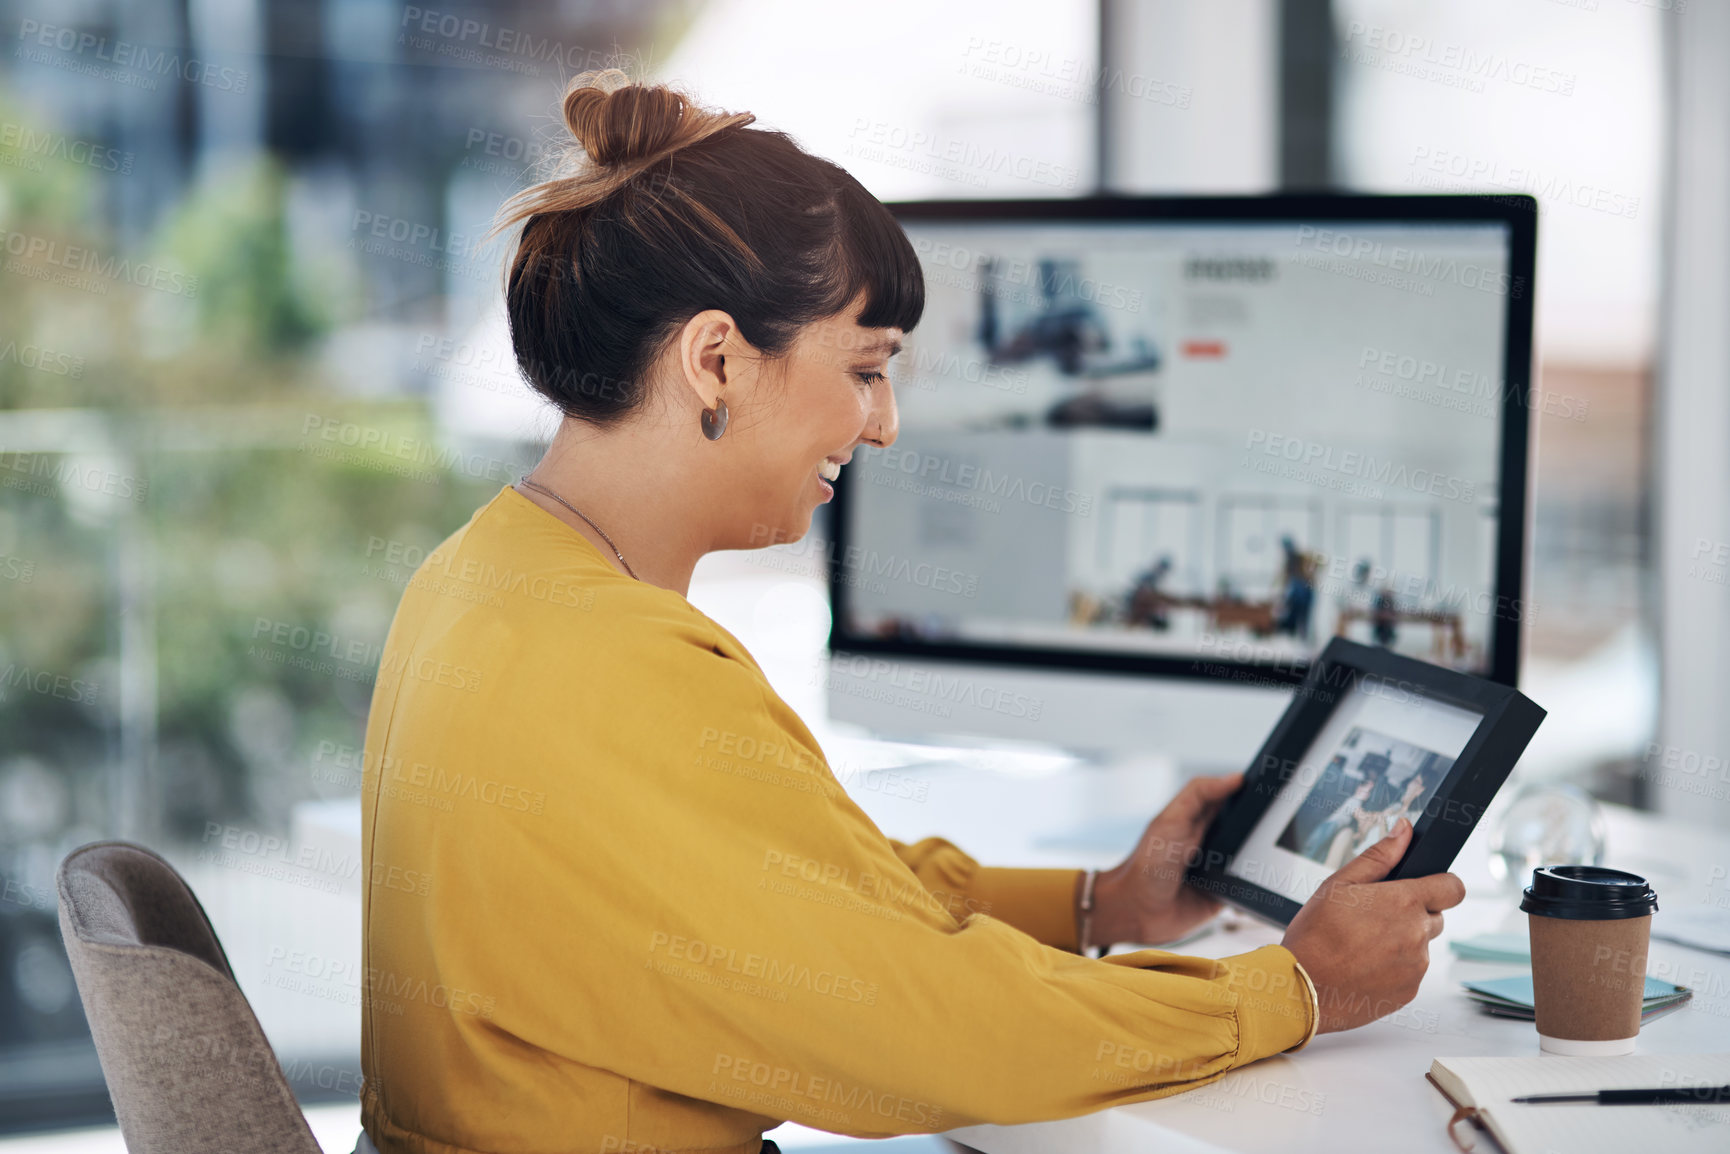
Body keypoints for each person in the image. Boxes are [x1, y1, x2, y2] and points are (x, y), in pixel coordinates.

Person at [356, 71, 1465, 1154]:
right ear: (715, 359)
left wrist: (1100, 901)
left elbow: (790, 885)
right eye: (865, 367)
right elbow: (931, 1032)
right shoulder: (620, 661)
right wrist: (1292, 989)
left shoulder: (482, 575)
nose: (882, 424)